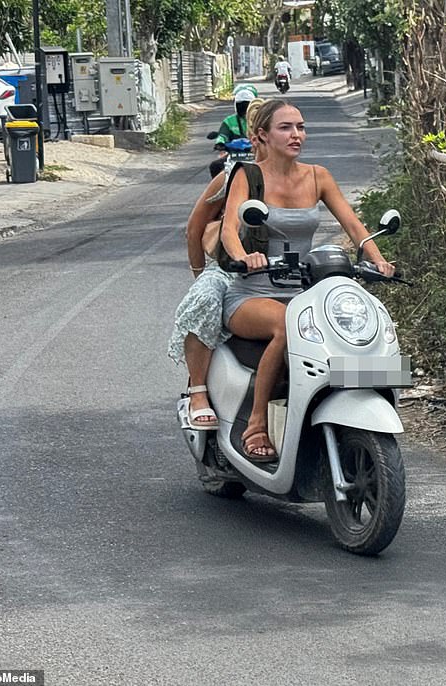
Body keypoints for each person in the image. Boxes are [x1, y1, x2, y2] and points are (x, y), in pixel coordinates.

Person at [220, 99, 395, 460]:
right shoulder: (246, 175)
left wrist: (378, 260)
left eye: (300, 126)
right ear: (263, 136)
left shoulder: (318, 176)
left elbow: (353, 225)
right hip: (252, 293)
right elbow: (228, 231)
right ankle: (256, 423)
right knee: (287, 327)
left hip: (304, 291)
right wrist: (244, 256)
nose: (296, 134)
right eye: (286, 127)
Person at [168, 99, 267, 428]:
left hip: (283, 273)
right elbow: (195, 228)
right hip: (230, 271)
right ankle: (198, 390)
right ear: (255, 137)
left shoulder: (302, 177)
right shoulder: (231, 178)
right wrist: (199, 275)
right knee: (205, 300)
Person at [209, 86, 258, 178]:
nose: (244, 108)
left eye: (247, 104)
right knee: (215, 166)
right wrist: (219, 143)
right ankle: (220, 191)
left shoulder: (260, 119)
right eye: (241, 104)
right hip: (234, 155)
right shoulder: (229, 121)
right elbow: (223, 134)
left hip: (257, 154)